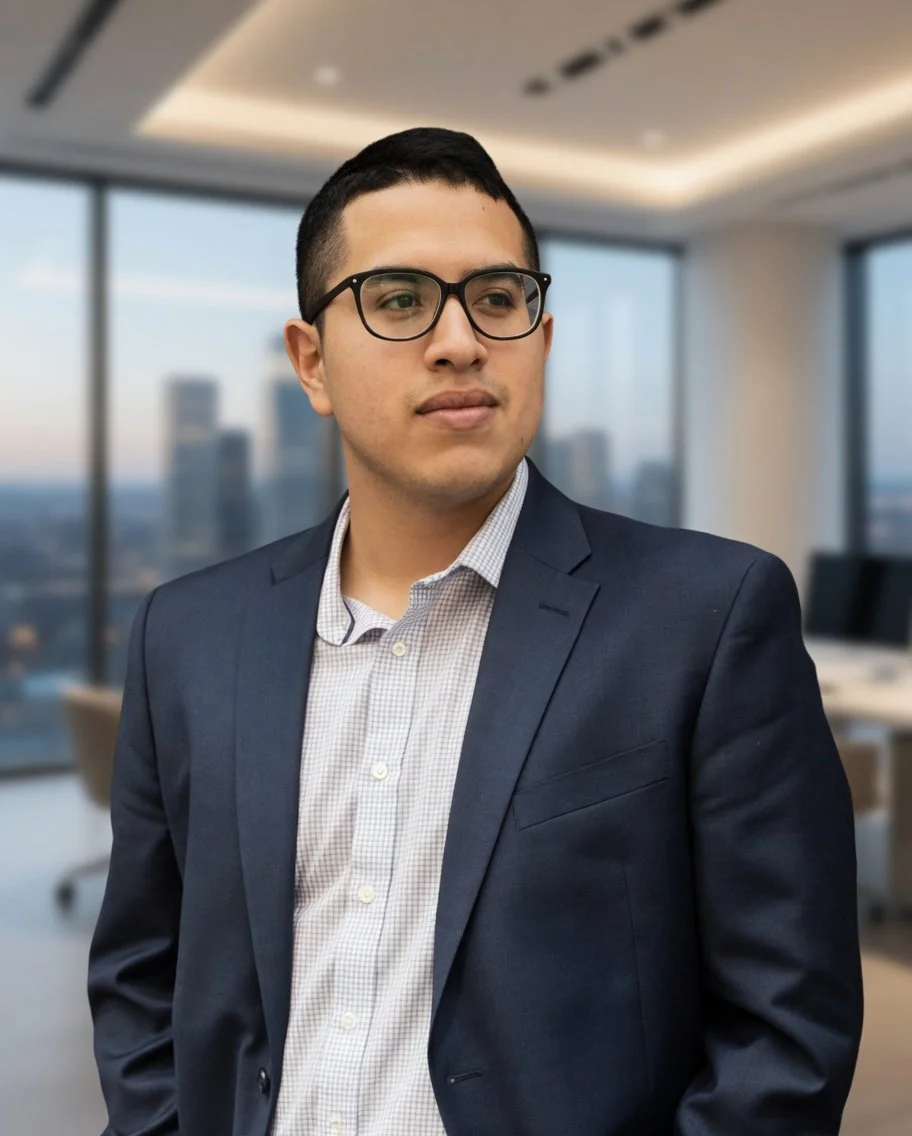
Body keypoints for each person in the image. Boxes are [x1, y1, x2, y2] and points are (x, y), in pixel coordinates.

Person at [88, 126, 863, 1136]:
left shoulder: (706, 617)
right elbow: (142, 977)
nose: (460, 339)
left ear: (539, 340)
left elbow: (787, 1029)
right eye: (400, 300)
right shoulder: (187, 632)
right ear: (311, 361)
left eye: (498, 298)